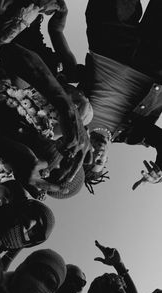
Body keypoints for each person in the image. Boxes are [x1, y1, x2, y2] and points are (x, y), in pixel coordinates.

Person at [80, 0, 162, 192]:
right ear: (107, 159)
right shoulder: (131, 135)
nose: (97, 154)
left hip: (110, 45)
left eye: (90, 157)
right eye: (101, 160)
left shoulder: (74, 118)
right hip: (154, 62)